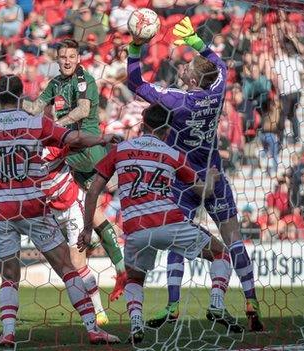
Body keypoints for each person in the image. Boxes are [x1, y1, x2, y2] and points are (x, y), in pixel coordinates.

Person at [0, 75, 121, 347]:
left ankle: (7, 333)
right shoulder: (35, 122)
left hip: (1, 211)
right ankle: (93, 329)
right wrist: (101, 139)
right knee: (67, 267)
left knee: (9, 276)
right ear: (21, 97)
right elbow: (73, 137)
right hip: (33, 207)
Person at [126, 17, 264, 332]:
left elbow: (136, 84)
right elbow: (222, 67)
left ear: (194, 77)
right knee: (233, 240)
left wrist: (136, 46)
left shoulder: (176, 102)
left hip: (185, 180)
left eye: (190, 65)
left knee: (178, 243)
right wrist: (196, 42)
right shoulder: (216, 94)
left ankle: (173, 307)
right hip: (214, 176)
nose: (185, 67)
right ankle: (251, 302)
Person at [78, 104, 243, 343]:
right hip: (171, 224)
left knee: (134, 278)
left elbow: (92, 192)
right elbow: (203, 192)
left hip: (135, 230)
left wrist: (86, 229)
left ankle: (135, 323)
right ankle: (216, 302)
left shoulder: (120, 150)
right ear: (167, 132)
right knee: (220, 254)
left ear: (143, 124)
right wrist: (212, 178)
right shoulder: (172, 154)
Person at [23, 38, 128, 301]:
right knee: (94, 215)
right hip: (70, 158)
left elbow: (83, 110)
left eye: (71, 56)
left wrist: (58, 124)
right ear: (57, 60)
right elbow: (36, 107)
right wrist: (15, 105)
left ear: (78, 57)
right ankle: (120, 269)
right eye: (63, 57)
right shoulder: (55, 84)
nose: (67, 61)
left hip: (88, 150)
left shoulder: (85, 79)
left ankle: (122, 267)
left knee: (95, 213)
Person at [40, 145, 109, 326]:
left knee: (78, 264)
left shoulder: (53, 148)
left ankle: (99, 312)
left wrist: (98, 142)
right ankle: (89, 311)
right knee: (66, 265)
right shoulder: (26, 154)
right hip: (49, 211)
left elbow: (75, 144)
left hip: (72, 208)